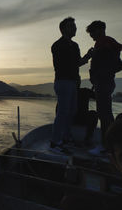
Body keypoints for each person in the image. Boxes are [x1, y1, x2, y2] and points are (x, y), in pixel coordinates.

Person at [50, 17, 93, 154]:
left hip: (73, 83)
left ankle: (66, 138)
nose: (74, 28)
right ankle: (55, 142)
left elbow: (77, 63)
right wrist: (81, 60)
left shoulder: (75, 46)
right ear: (63, 29)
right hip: (63, 82)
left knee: (71, 111)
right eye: (71, 26)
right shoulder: (57, 45)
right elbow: (64, 65)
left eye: (74, 26)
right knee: (63, 112)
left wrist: (87, 57)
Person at [86, 20, 122, 156]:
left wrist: (99, 75)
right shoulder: (109, 44)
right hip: (105, 82)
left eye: (92, 33)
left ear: (100, 30)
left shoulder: (104, 44)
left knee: (104, 114)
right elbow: (117, 65)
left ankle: (106, 147)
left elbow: (105, 64)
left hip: (103, 82)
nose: (92, 37)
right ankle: (110, 144)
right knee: (106, 113)